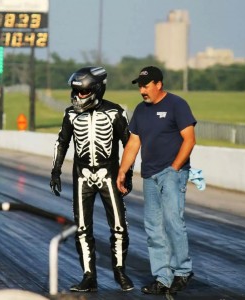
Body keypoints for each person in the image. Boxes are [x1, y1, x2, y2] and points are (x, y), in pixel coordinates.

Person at [50, 66, 134, 292]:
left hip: (110, 174)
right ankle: (89, 276)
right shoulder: (70, 114)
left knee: (119, 226)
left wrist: (128, 174)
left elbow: (130, 145)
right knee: (82, 228)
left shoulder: (116, 113)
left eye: (84, 92)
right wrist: (55, 170)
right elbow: (62, 142)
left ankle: (120, 271)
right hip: (82, 175)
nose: (79, 96)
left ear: (97, 89)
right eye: (77, 92)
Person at [117, 66, 196, 295]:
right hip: (149, 176)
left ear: (158, 84)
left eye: (146, 85)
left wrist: (174, 168)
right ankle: (163, 277)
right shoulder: (141, 111)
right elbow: (133, 143)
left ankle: (182, 271)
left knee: (173, 222)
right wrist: (123, 171)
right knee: (153, 229)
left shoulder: (177, 105)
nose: (142, 90)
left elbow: (189, 139)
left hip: (173, 173)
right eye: (140, 86)